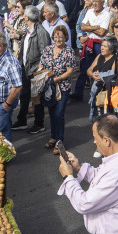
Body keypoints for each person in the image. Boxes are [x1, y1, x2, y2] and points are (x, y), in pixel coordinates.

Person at [36, 25, 77, 153]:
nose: (58, 39)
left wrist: (55, 79)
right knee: (52, 114)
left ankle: (60, 143)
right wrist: (40, 75)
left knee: (59, 114)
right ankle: (53, 137)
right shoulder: (48, 49)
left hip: (62, 87)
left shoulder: (69, 51)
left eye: (61, 36)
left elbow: (70, 71)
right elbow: (41, 64)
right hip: (48, 88)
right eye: (56, 36)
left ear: (66, 37)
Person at [12, 6, 50, 133]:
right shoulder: (29, 30)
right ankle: (21, 120)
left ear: (27, 17)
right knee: (24, 95)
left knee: (36, 98)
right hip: (25, 68)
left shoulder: (41, 32)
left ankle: (39, 123)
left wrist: (39, 70)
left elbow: (45, 53)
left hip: (35, 71)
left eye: (24, 15)